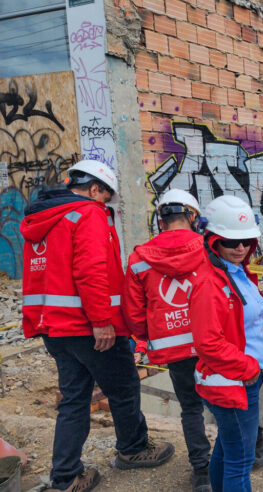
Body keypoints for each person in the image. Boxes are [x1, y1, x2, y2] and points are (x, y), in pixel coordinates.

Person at [20, 160, 174, 492]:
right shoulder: (88, 213)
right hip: (90, 327)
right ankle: (132, 450)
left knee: (74, 399)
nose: (105, 204)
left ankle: (66, 477)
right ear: (94, 189)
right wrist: (102, 321)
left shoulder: (40, 220)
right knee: (124, 387)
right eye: (105, 196)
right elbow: (91, 272)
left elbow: (41, 275)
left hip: (53, 327)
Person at [189, 195, 263, 492]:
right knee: (240, 462)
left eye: (245, 240)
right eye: (231, 242)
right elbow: (208, 343)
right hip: (235, 381)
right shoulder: (209, 283)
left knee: (228, 450)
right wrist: (249, 368)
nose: (240, 248)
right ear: (213, 241)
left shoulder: (234, 271)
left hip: (244, 376)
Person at [122, 189, 212, 492]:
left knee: (191, 408)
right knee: (229, 401)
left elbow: (134, 313)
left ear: (161, 220)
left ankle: (202, 471)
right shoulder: (211, 249)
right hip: (212, 342)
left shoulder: (139, 258)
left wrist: (146, 337)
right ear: (193, 217)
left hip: (173, 348)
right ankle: (242, 453)